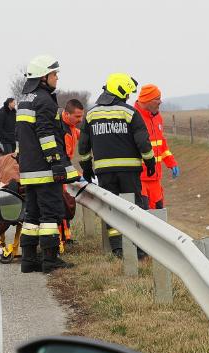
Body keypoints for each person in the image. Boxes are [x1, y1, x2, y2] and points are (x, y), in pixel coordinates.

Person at [78, 73, 155, 258]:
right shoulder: (130, 112)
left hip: (105, 173)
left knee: (111, 209)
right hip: (129, 172)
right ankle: (139, 248)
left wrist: (87, 168)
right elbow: (143, 142)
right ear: (120, 91)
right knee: (134, 208)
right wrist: (150, 161)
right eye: (127, 93)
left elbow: (83, 146)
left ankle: (117, 247)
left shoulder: (91, 114)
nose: (128, 97)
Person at [16, 54, 80, 273]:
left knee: (32, 214)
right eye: (54, 74)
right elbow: (45, 135)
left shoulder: (25, 100)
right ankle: (50, 260)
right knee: (50, 214)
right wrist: (56, 163)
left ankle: (29, 260)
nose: (56, 78)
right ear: (44, 77)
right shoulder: (44, 101)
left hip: (29, 169)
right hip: (45, 169)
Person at [135, 84, 179, 209]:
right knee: (142, 216)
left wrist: (171, 163)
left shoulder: (158, 117)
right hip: (139, 178)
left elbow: (161, 143)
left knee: (158, 216)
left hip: (155, 178)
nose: (160, 102)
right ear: (147, 100)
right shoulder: (133, 117)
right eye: (157, 98)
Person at [59, 99, 85, 246]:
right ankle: (62, 239)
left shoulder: (72, 127)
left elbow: (80, 134)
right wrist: (79, 176)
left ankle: (66, 237)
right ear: (67, 114)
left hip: (64, 169)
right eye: (77, 117)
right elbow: (64, 160)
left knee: (65, 202)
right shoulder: (62, 130)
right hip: (60, 170)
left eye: (81, 116)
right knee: (62, 204)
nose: (80, 120)